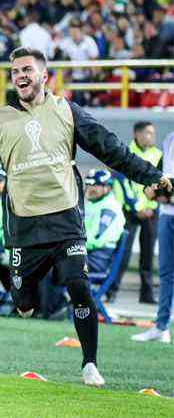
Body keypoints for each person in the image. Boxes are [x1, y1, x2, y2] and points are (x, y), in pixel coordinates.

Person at [0, 46, 170, 387]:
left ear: (43, 76)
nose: (20, 75)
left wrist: (150, 176)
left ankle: (90, 364)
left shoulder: (66, 110)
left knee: (79, 287)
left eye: (27, 70)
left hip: (65, 218)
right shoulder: (0, 121)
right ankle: (25, 297)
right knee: (22, 302)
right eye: (15, 71)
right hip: (24, 225)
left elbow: (112, 149)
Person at [110, 121, 163, 304]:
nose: (151, 136)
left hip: (151, 212)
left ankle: (146, 294)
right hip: (130, 213)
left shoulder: (158, 155)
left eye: (152, 133)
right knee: (122, 254)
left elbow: (161, 186)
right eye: (147, 132)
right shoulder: (126, 153)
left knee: (147, 256)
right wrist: (136, 208)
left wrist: (151, 206)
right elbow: (121, 184)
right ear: (136, 134)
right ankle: (111, 290)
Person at [132, 132, 174, 343]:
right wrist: (153, 189)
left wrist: (164, 193)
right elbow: (160, 176)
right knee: (166, 273)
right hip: (167, 214)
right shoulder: (168, 140)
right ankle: (161, 326)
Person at [83, 169, 125, 275]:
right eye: (88, 184)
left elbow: (97, 239)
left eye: (96, 185)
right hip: (85, 257)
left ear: (108, 188)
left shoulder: (109, 209)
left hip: (95, 261)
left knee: (54, 268)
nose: (90, 188)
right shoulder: (92, 205)